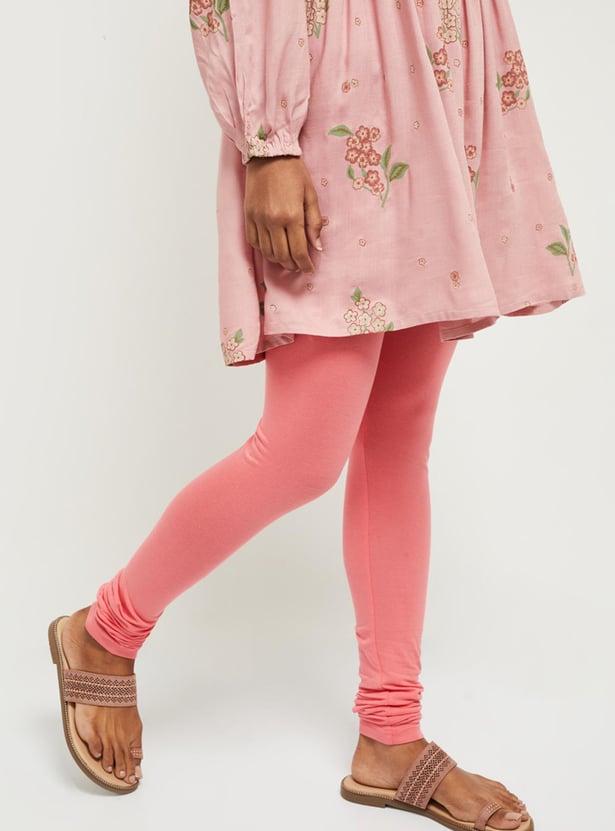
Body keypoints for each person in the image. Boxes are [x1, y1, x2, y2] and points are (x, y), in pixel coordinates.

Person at [49, 2, 584, 828]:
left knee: (398, 439)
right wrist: (268, 142)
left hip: (440, 72)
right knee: (301, 453)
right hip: (343, 88)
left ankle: (390, 733)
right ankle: (105, 630)